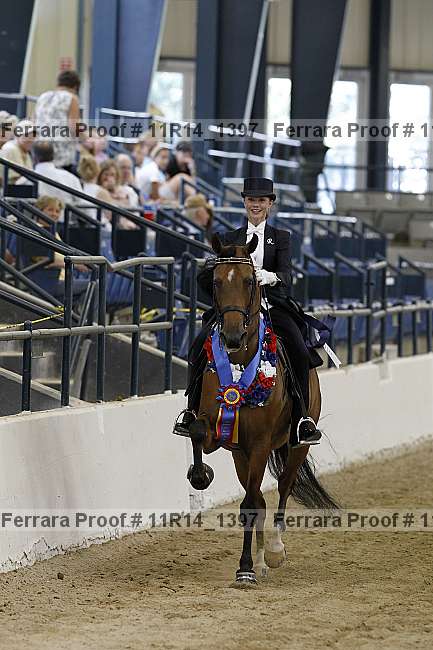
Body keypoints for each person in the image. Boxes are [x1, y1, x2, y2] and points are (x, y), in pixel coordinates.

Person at [173, 177, 325, 447]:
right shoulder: (228, 238)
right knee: (198, 345)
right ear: (244, 202)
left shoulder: (281, 238)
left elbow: (287, 275)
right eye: (252, 200)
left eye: (261, 200)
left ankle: (302, 420)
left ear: (270, 204)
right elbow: (215, 276)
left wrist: (269, 276)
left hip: (271, 306)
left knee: (299, 350)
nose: (256, 205)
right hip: (234, 309)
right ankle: (191, 411)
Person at [34, 70, 81, 172]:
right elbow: (74, 127)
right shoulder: (72, 98)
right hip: (61, 153)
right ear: (75, 87)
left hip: (40, 150)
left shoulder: (42, 97)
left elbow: (34, 121)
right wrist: (87, 139)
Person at [33, 141, 82, 210]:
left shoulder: (26, 179)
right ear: (53, 156)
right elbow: (82, 203)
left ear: (34, 157)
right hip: (65, 216)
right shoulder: (71, 178)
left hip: (35, 216)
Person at [1, 119, 35, 184]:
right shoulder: (11, 148)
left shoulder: (24, 150)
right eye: (27, 135)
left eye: (33, 136)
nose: (30, 139)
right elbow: (14, 179)